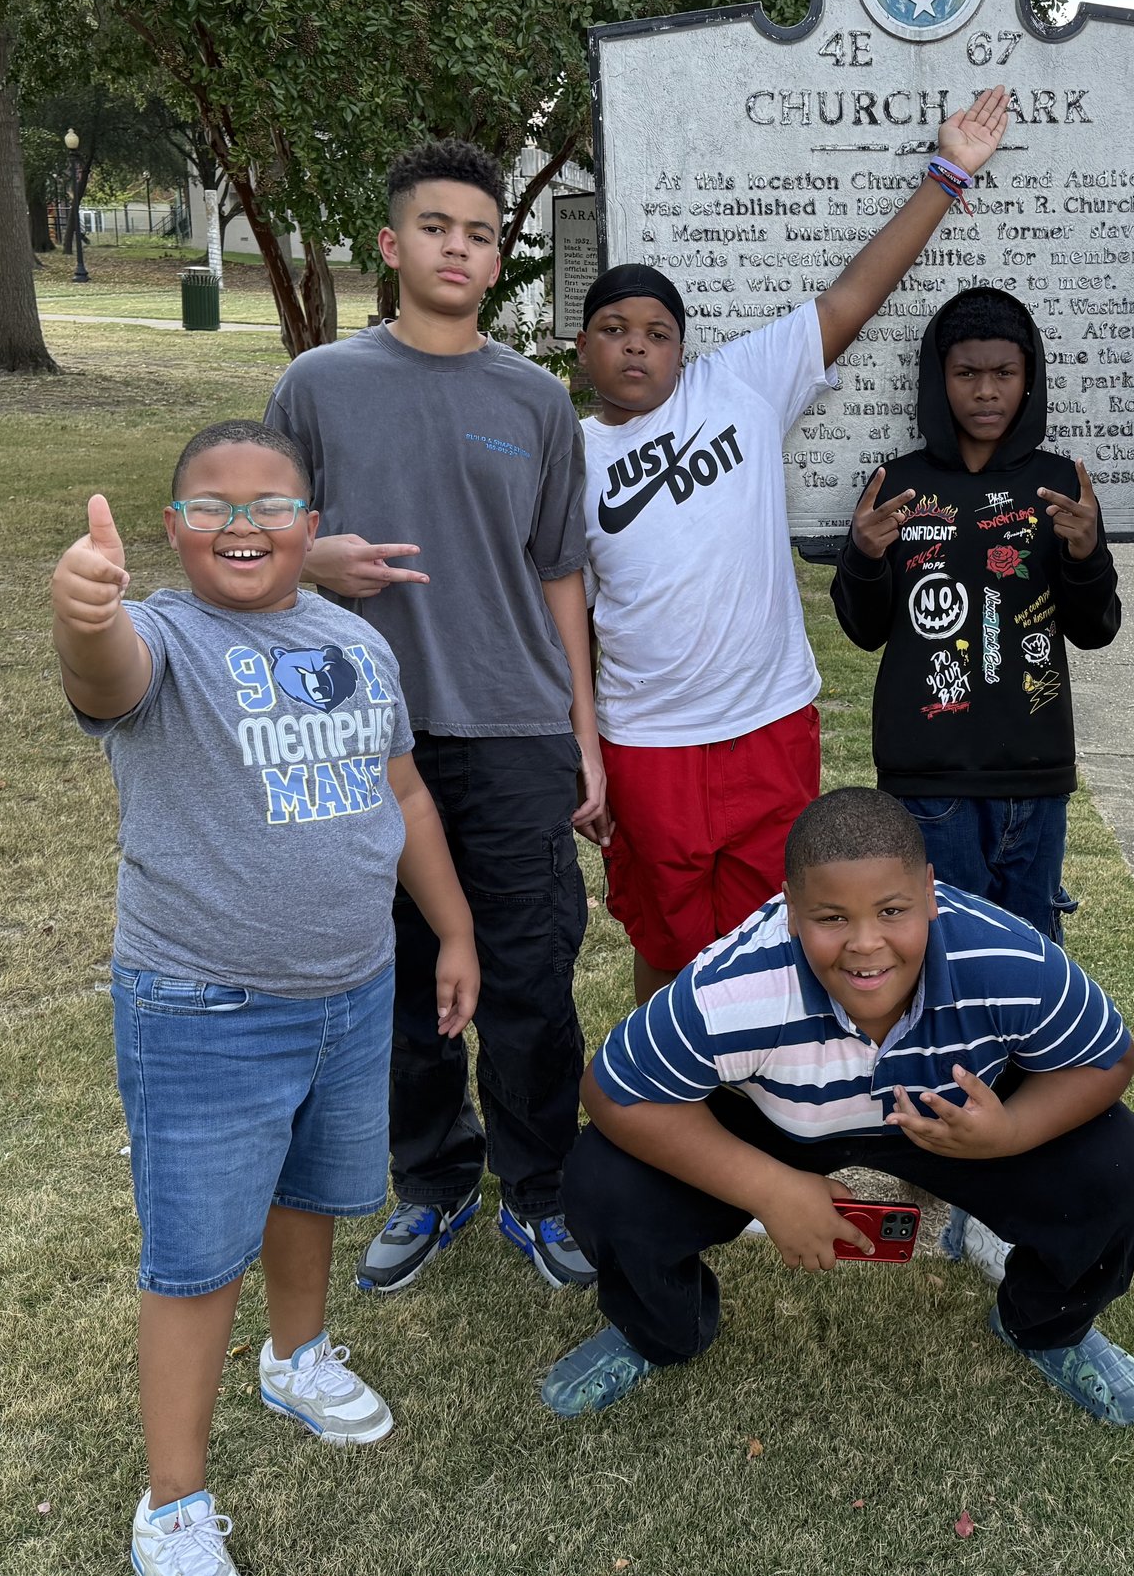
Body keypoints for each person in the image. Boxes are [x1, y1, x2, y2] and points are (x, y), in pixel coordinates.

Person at [52, 421, 481, 1576]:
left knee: (314, 1197)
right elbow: (106, 676)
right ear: (173, 528)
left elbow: (405, 797)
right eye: (213, 506)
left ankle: (298, 1357)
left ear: (311, 522)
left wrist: (451, 929)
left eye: (270, 504)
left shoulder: (355, 641)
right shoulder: (159, 638)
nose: (242, 525)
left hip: (351, 991)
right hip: (201, 1009)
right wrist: (82, 616)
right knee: (195, 1260)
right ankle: (174, 1507)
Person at [579, 86, 1012, 1006]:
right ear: (579, 344)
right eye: (613, 330)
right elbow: (561, 612)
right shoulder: (569, 454)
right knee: (664, 942)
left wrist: (947, 173)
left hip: (766, 720)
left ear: (683, 348)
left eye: (658, 333)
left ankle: (767, 1113)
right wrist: (583, 748)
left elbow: (858, 290)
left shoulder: (737, 385)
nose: (636, 348)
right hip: (646, 738)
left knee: (773, 944)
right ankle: (671, 1102)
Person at [538, 788, 1134, 1424]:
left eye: (893, 910)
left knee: (1118, 1173)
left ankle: (1046, 1326)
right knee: (604, 1182)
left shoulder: (1006, 958)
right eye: (831, 917)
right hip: (777, 1118)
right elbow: (612, 1090)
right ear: (788, 907)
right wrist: (770, 1189)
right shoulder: (735, 983)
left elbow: (1108, 1058)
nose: (866, 944)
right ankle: (659, 1330)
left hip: (953, 1120)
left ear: (930, 892)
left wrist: (1009, 1133)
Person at [264, 138, 602, 1295]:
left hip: (512, 727)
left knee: (525, 974)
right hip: (363, 732)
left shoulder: (533, 398)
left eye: (479, 233)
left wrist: (583, 737)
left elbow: (561, 575)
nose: (459, 248)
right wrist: (317, 555)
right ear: (392, 243)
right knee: (401, 976)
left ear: (496, 257)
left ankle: (542, 1189)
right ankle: (432, 1182)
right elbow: (249, 539)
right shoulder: (318, 385)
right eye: (437, 228)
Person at [827, 285, 1120, 938]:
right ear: (939, 379)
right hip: (928, 776)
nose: (986, 392)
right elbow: (865, 629)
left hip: (1037, 772)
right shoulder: (898, 484)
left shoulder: (1061, 486)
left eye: (1003, 374)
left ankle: (1025, 1050)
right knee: (943, 948)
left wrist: (1084, 553)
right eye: (967, 374)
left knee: (1031, 957)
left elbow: (1095, 627)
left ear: (1028, 378)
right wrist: (866, 556)